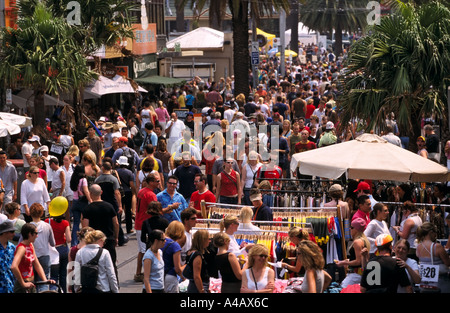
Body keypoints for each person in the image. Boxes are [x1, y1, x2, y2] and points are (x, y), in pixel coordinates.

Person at [81, 184, 120, 276]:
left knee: (96, 265)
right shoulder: (109, 206)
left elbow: (85, 228)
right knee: (111, 264)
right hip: (108, 239)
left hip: (94, 242)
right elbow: (116, 223)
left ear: (90, 194)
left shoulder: (87, 209)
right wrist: (116, 237)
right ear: (101, 192)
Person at [10, 223, 55, 293]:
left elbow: (37, 264)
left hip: (31, 283)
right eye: (36, 233)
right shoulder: (22, 248)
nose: (37, 236)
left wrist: (45, 280)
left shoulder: (30, 245)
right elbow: (13, 266)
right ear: (30, 234)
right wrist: (23, 283)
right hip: (23, 285)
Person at [134, 174, 162, 282]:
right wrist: (170, 208)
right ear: (151, 182)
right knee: (145, 250)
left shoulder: (142, 191)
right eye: (157, 181)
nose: (159, 183)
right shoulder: (151, 195)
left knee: (142, 250)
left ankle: (139, 272)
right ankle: (142, 273)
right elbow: (156, 211)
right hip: (144, 224)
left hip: (139, 222)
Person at [336, 217, 370, 288]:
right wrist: (346, 261)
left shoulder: (357, 242)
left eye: (352, 227)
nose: (349, 229)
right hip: (358, 274)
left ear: (356, 229)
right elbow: (358, 258)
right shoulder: (364, 240)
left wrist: (344, 263)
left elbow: (358, 261)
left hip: (355, 275)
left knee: (341, 289)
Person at [415, 222, 450, 292]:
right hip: (440, 282)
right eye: (435, 232)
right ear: (431, 232)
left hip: (425, 283)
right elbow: (448, 263)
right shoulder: (437, 246)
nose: (435, 235)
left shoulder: (418, 247)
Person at [29, 203, 56, 291]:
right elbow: (53, 243)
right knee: (44, 280)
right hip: (45, 255)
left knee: (31, 282)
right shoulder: (47, 226)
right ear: (41, 213)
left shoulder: (27, 226)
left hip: (32, 256)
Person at [45, 212, 71, 293]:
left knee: (53, 276)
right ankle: (63, 291)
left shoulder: (47, 221)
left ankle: (53, 291)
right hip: (63, 248)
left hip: (52, 250)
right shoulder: (65, 223)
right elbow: (69, 239)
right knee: (63, 275)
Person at [69, 164, 92, 247]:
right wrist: (91, 200)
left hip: (75, 202)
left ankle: (74, 243)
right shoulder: (83, 179)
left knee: (76, 223)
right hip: (83, 202)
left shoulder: (73, 179)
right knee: (86, 223)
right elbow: (86, 191)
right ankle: (86, 241)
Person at [162, 221, 186, 293]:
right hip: (170, 277)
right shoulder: (175, 245)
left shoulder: (162, 241)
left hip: (159, 276)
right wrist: (185, 266)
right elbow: (177, 269)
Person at [115, 156, 137, 234]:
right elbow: (131, 184)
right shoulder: (129, 172)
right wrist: (134, 192)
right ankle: (129, 228)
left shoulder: (116, 172)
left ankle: (119, 227)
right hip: (127, 192)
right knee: (128, 211)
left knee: (119, 210)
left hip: (119, 192)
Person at [185, 229, 210, 293]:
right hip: (198, 287)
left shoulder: (190, 252)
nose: (209, 241)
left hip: (194, 285)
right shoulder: (197, 256)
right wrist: (202, 290)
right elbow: (197, 276)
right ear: (203, 240)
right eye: (208, 239)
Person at [0, 220, 16, 293]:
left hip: (10, 285)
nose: (14, 234)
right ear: (4, 232)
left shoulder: (12, 247)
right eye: (12, 232)